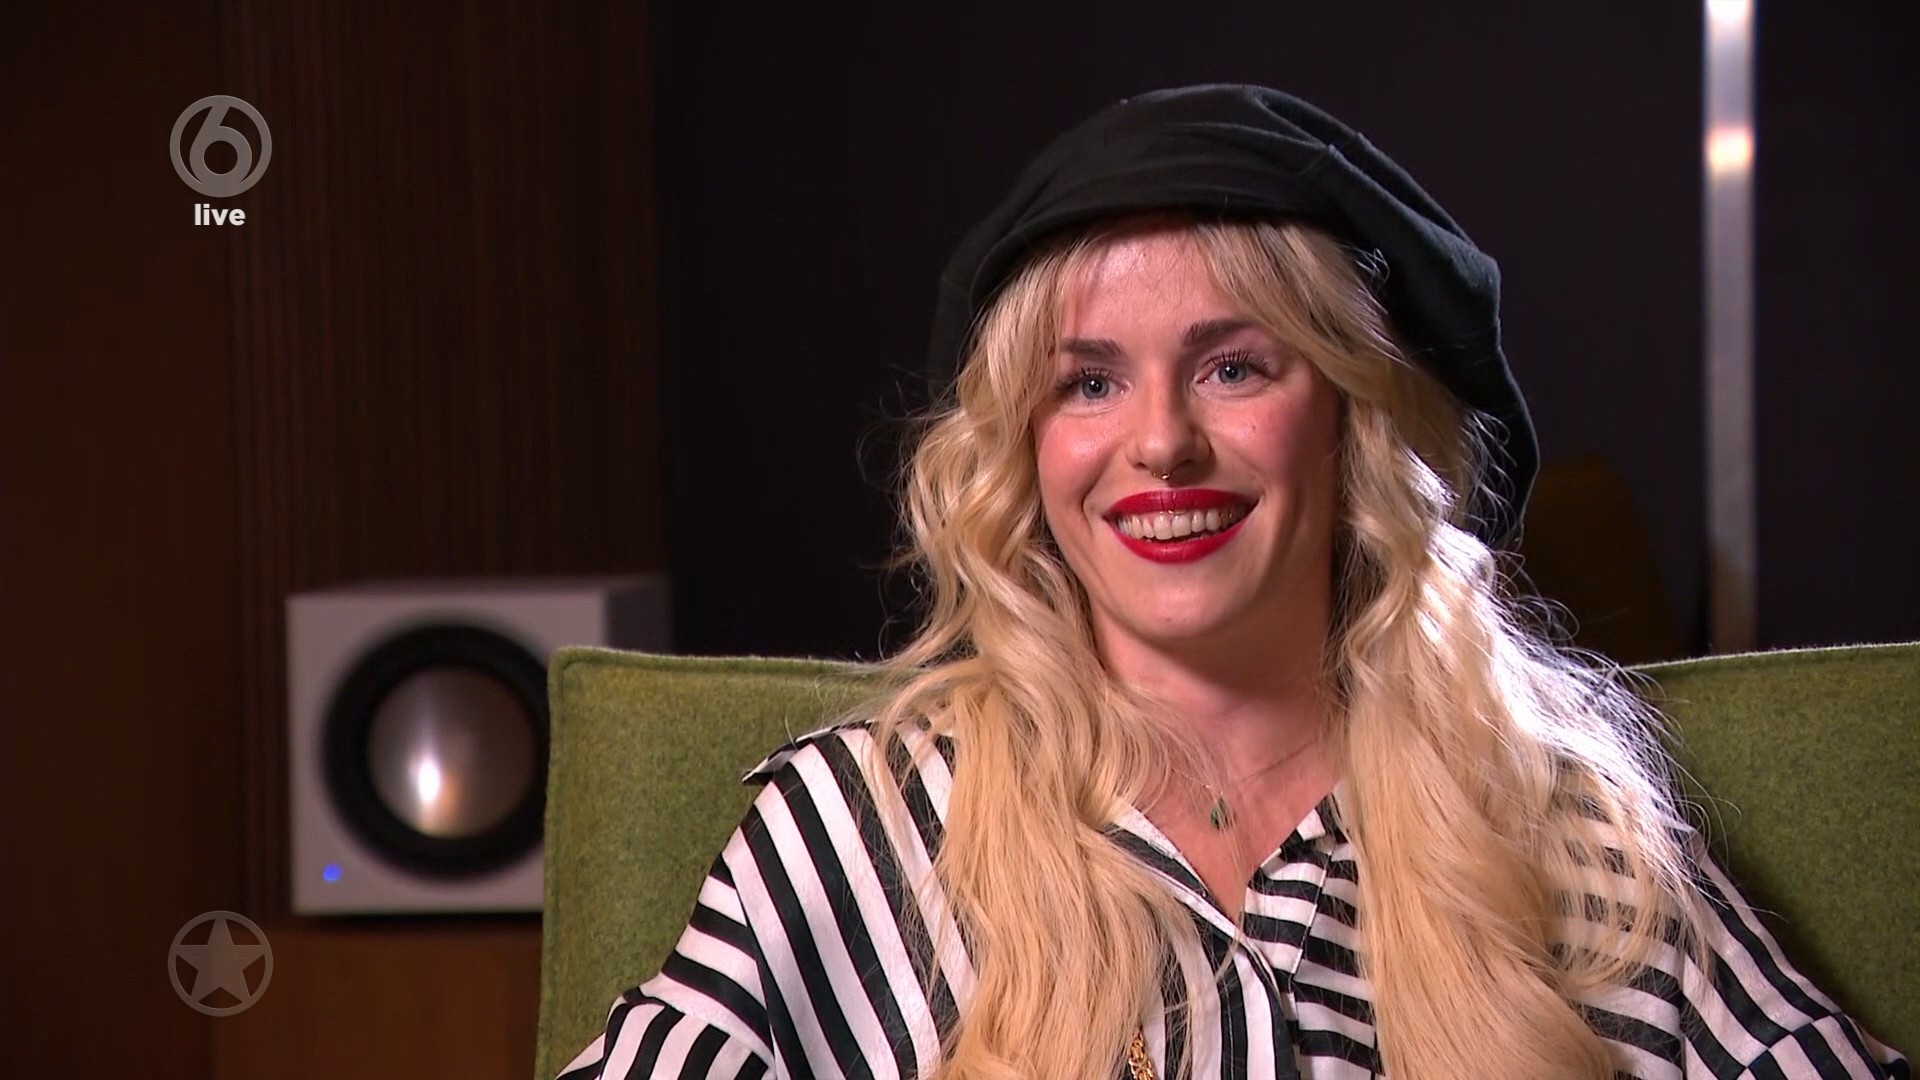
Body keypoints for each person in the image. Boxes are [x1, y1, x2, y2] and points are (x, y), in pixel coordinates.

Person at [557, 85, 1907, 1080]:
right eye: (1089, 382)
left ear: (1353, 423)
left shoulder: (1560, 832)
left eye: (1233, 366)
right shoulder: (859, 833)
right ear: (1026, 451)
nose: (1160, 443)